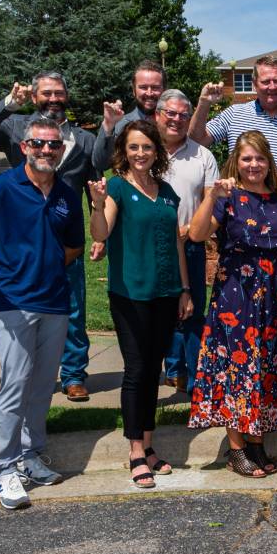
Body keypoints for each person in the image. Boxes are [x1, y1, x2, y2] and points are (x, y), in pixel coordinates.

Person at [0, 118, 84, 509]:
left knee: (42, 385)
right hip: (12, 301)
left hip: (55, 301)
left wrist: (47, 264)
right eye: (38, 144)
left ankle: (30, 455)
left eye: (53, 145)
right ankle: (4, 468)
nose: (46, 151)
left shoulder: (66, 193)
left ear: (62, 150)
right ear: (24, 146)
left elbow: (74, 245)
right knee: (15, 383)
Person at [0, 72, 102, 402]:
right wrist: (10, 103)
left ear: (66, 96)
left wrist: (99, 232)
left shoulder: (84, 139)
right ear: (35, 96)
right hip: (24, 235)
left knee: (73, 308)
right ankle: (24, 371)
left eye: (59, 93)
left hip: (65, 235)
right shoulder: (16, 128)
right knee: (24, 307)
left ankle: (73, 374)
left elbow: (93, 181)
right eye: (46, 93)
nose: (53, 98)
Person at [88, 121, 194, 489]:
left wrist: (184, 289)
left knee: (153, 371)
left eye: (146, 147)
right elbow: (100, 233)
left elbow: (178, 242)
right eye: (133, 147)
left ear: (156, 152)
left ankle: (148, 445)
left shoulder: (165, 192)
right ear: (124, 151)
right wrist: (98, 206)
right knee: (136, 370)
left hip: (166, 293)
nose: (140, 154)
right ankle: (135, 451)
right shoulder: (116, 187)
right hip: (131, 294)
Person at [186, 131, 277, 478]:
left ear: (269, 162)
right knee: (236, 369)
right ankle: (237, 448)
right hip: (237, 297)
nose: (253, 165)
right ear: (237, 161)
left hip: (275, 299)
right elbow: (198, 235)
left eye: (259, 158)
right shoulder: (227, 198)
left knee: (264, 368)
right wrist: (211, 198)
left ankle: (257, 441)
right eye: (247, 158)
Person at [153, 89, 219, 393]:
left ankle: (197, 385)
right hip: (150, 248)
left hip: (190, 244)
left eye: (183, 114)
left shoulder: (202, 156)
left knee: (191, 314)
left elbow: (211, 205)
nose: (177, 120)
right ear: (158, 115)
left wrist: (191, 229)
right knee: (154, 316)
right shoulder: (143, 151)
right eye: (171, 113)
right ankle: (164, 375)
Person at [189, 56, 277, 202]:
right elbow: (196, 140)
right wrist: (204, 103)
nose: (272, 86)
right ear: (254, 84)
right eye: (265, 81)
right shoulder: (234, 114)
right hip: (238, 212)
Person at [96, 60, 167, 152]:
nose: (149, 93)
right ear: (134, 91)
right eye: (143, 87)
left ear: (165, 90)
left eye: (155, 88)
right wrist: (107, 125)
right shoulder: (120, 125)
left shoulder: (175, 123)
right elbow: (100, 164)